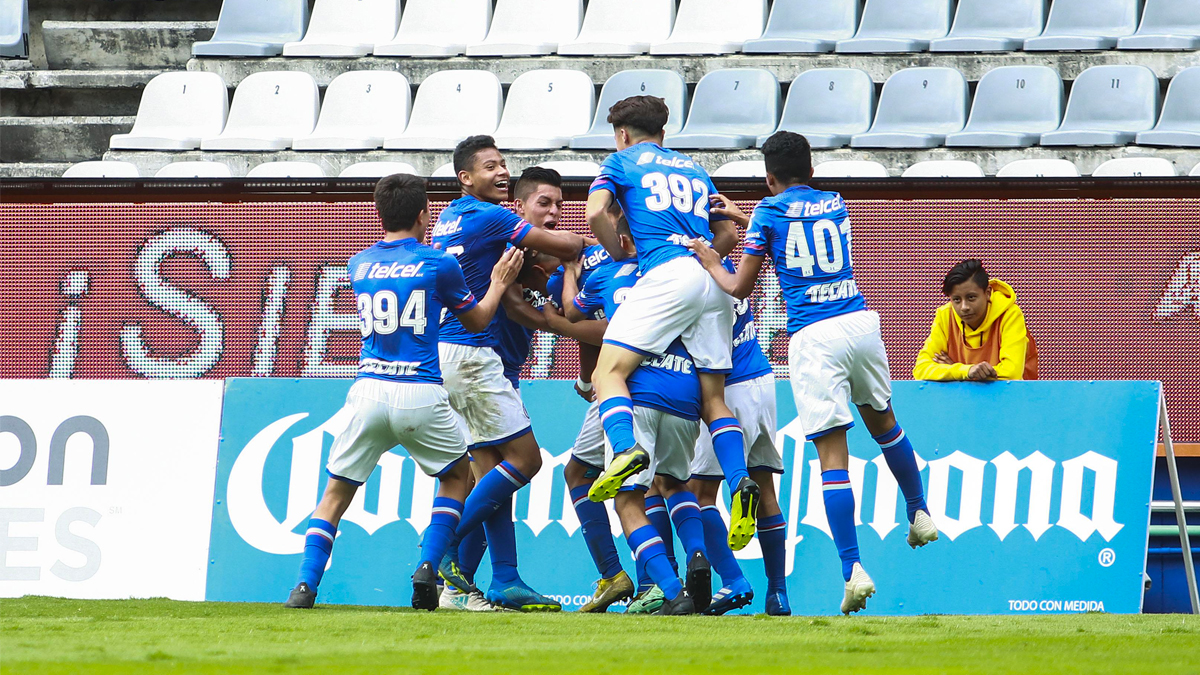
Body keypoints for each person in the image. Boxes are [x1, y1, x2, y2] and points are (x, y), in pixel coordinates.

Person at [687, 131, 939, 615]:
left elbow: (740, 287)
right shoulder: (835, 201)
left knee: (833, 459)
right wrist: (747, 216)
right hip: (860, 323)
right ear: (813, 170)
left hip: (814, 337)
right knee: (885, 424)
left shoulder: (768, 211)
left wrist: (712, 258)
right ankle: (918, 509)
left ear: (769, 177)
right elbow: (796, 223)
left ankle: (852, 570)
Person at [284, 174, 524, 611]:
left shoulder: (359, 264)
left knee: (335, 496)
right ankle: (429, 568)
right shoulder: (438, 262)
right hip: (419, 391)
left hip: (370, 389)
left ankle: (304, 586)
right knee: (457, 479)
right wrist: (499, 281)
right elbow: (478, 320)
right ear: (422, 215)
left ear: (379, 214)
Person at [584, 95, 761, 553]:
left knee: (608, 372)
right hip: (710, 276)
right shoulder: (696, 171)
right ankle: (740, 480)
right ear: (664, 131)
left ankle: (624, 449)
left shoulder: (621, 161)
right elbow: (726, 233)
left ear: (622, 134)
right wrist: (709, 254)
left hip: (668, 272)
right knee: (713, 398)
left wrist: (621, 250)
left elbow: (595, 212)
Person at [432, 136, 583, 612]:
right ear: (466, 178)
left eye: (504, 164)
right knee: (525, 460)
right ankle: (446, 552)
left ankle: (496, 579)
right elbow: (561, 249)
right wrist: (585, 249)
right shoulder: (497, 221)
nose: (500, 171)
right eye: (490, 166)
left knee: (492, 478)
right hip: (477, 358)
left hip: (462, 359)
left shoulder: (453, 218)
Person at [562, 214, 713, 615]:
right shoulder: (683, 271)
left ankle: (669, 590)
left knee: (628, 498)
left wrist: (568, 272)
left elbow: (570, 314)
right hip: (685, 390)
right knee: (676, 484)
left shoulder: (606, 273)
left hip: (632, 391)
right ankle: (697, 555)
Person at [687, 260, 791, 616]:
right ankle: (778, 593)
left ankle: (733, 580)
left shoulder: (684, 271)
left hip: (723, 390)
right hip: (761, 379)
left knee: (697, 493)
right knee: (764, 487)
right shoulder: (722, 263)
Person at [913, 259, 1038, 382]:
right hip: (960, 397)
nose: (964, 307)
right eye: (956, 300)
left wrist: (954, 370)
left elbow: (1011, 374)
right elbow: (920, 369)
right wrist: (966, 371)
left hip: (1009, 397)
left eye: (971, 297)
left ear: (987, 293)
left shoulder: (1010, 314)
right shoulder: (945, 315)